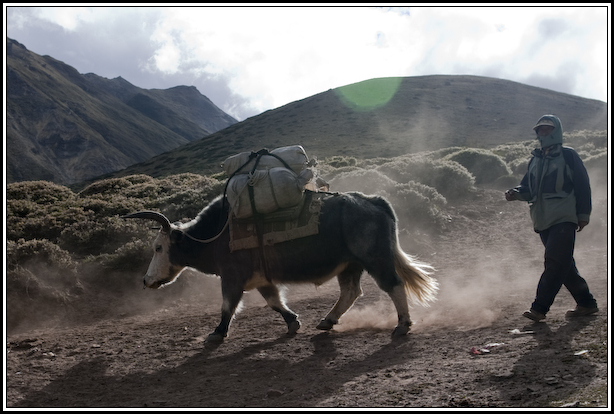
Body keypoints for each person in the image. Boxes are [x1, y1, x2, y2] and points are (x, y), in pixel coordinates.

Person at [505, 114, 598, 322]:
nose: (543, 132)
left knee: (554, 262)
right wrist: (515, 193)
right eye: (540, 129)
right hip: (542, 219)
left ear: (556, 131)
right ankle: (586, 303)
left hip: (564, 217)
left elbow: (583, 186)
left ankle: (539, 308)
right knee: (564, 264)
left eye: (547, 129)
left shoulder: (568, 155)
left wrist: (583, 214)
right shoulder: (535, 160)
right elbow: (527, 188)